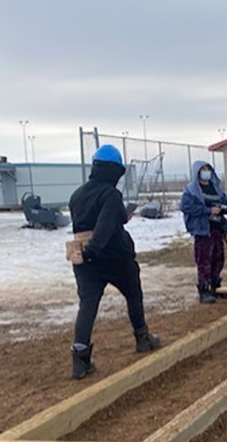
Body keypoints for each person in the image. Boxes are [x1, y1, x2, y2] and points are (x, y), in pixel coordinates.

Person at [66, 145, 161, 380]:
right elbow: (105, 226)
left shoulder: (77, 194)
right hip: (114, 257)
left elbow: (85, 224)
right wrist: (93, 252)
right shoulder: (110, 194)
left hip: (85, 262)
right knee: (133, 293)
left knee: (88, 305)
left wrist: (85, 256)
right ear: (113, 171)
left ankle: (81, 359)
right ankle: (142, 337)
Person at [180, 161, 227, 304]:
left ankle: (216, 285)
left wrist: (226, 208)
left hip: (217, 228)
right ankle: (204, 288)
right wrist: (208, 211)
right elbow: (186, 207)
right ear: (197, 172)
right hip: (203, 230)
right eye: (203, 169)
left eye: (208, 169)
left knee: (218, 258)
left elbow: (221, 204)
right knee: (204, 260)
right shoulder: (191, 191)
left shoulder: (216, 188)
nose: (206, 172)